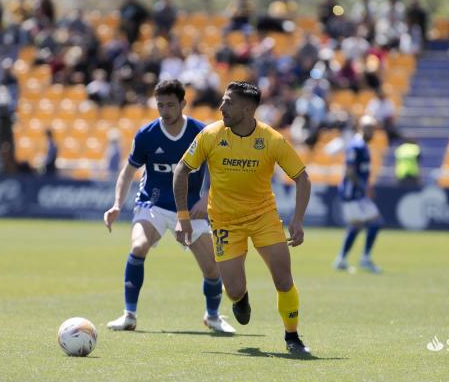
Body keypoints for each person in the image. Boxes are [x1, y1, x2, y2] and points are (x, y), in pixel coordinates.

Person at [173, 81, 312, 355]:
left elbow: (302, 178)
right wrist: (182, 217)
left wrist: (298, 220)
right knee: (234, 290)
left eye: (228, 102)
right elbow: (181, 171)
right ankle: (241, 299)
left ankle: (292, 336)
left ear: (247, 109)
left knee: (284, 279)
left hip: (264, 217)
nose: (221, 107)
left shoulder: (271, 139)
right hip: (225, 222)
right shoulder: (210, 135)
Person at [103, 79, 235, 334]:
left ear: (183, 104)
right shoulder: (146, 135)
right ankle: (129, 315)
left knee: (212, 268)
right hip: (154, 204)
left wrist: (205, 197)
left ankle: (213, 316)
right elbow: (128, 171)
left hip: (189, 208)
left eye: (170, 105)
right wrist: (117, 204)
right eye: (160, 105)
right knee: (139, 246)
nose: (165, 111)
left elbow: (219, 168)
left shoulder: (201, 132)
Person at [333, 115, 383, 274]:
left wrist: (365, 186)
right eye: (369, 129)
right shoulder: (356, 146)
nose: (372, 132)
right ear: (361, 128)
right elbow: (349, 171)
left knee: (356, 226)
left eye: (373, 129)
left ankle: (341, 259)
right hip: (352, 194)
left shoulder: (362, 145)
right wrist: (363, 187)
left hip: (357, 193)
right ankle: (365, 258)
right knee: (375, 222)